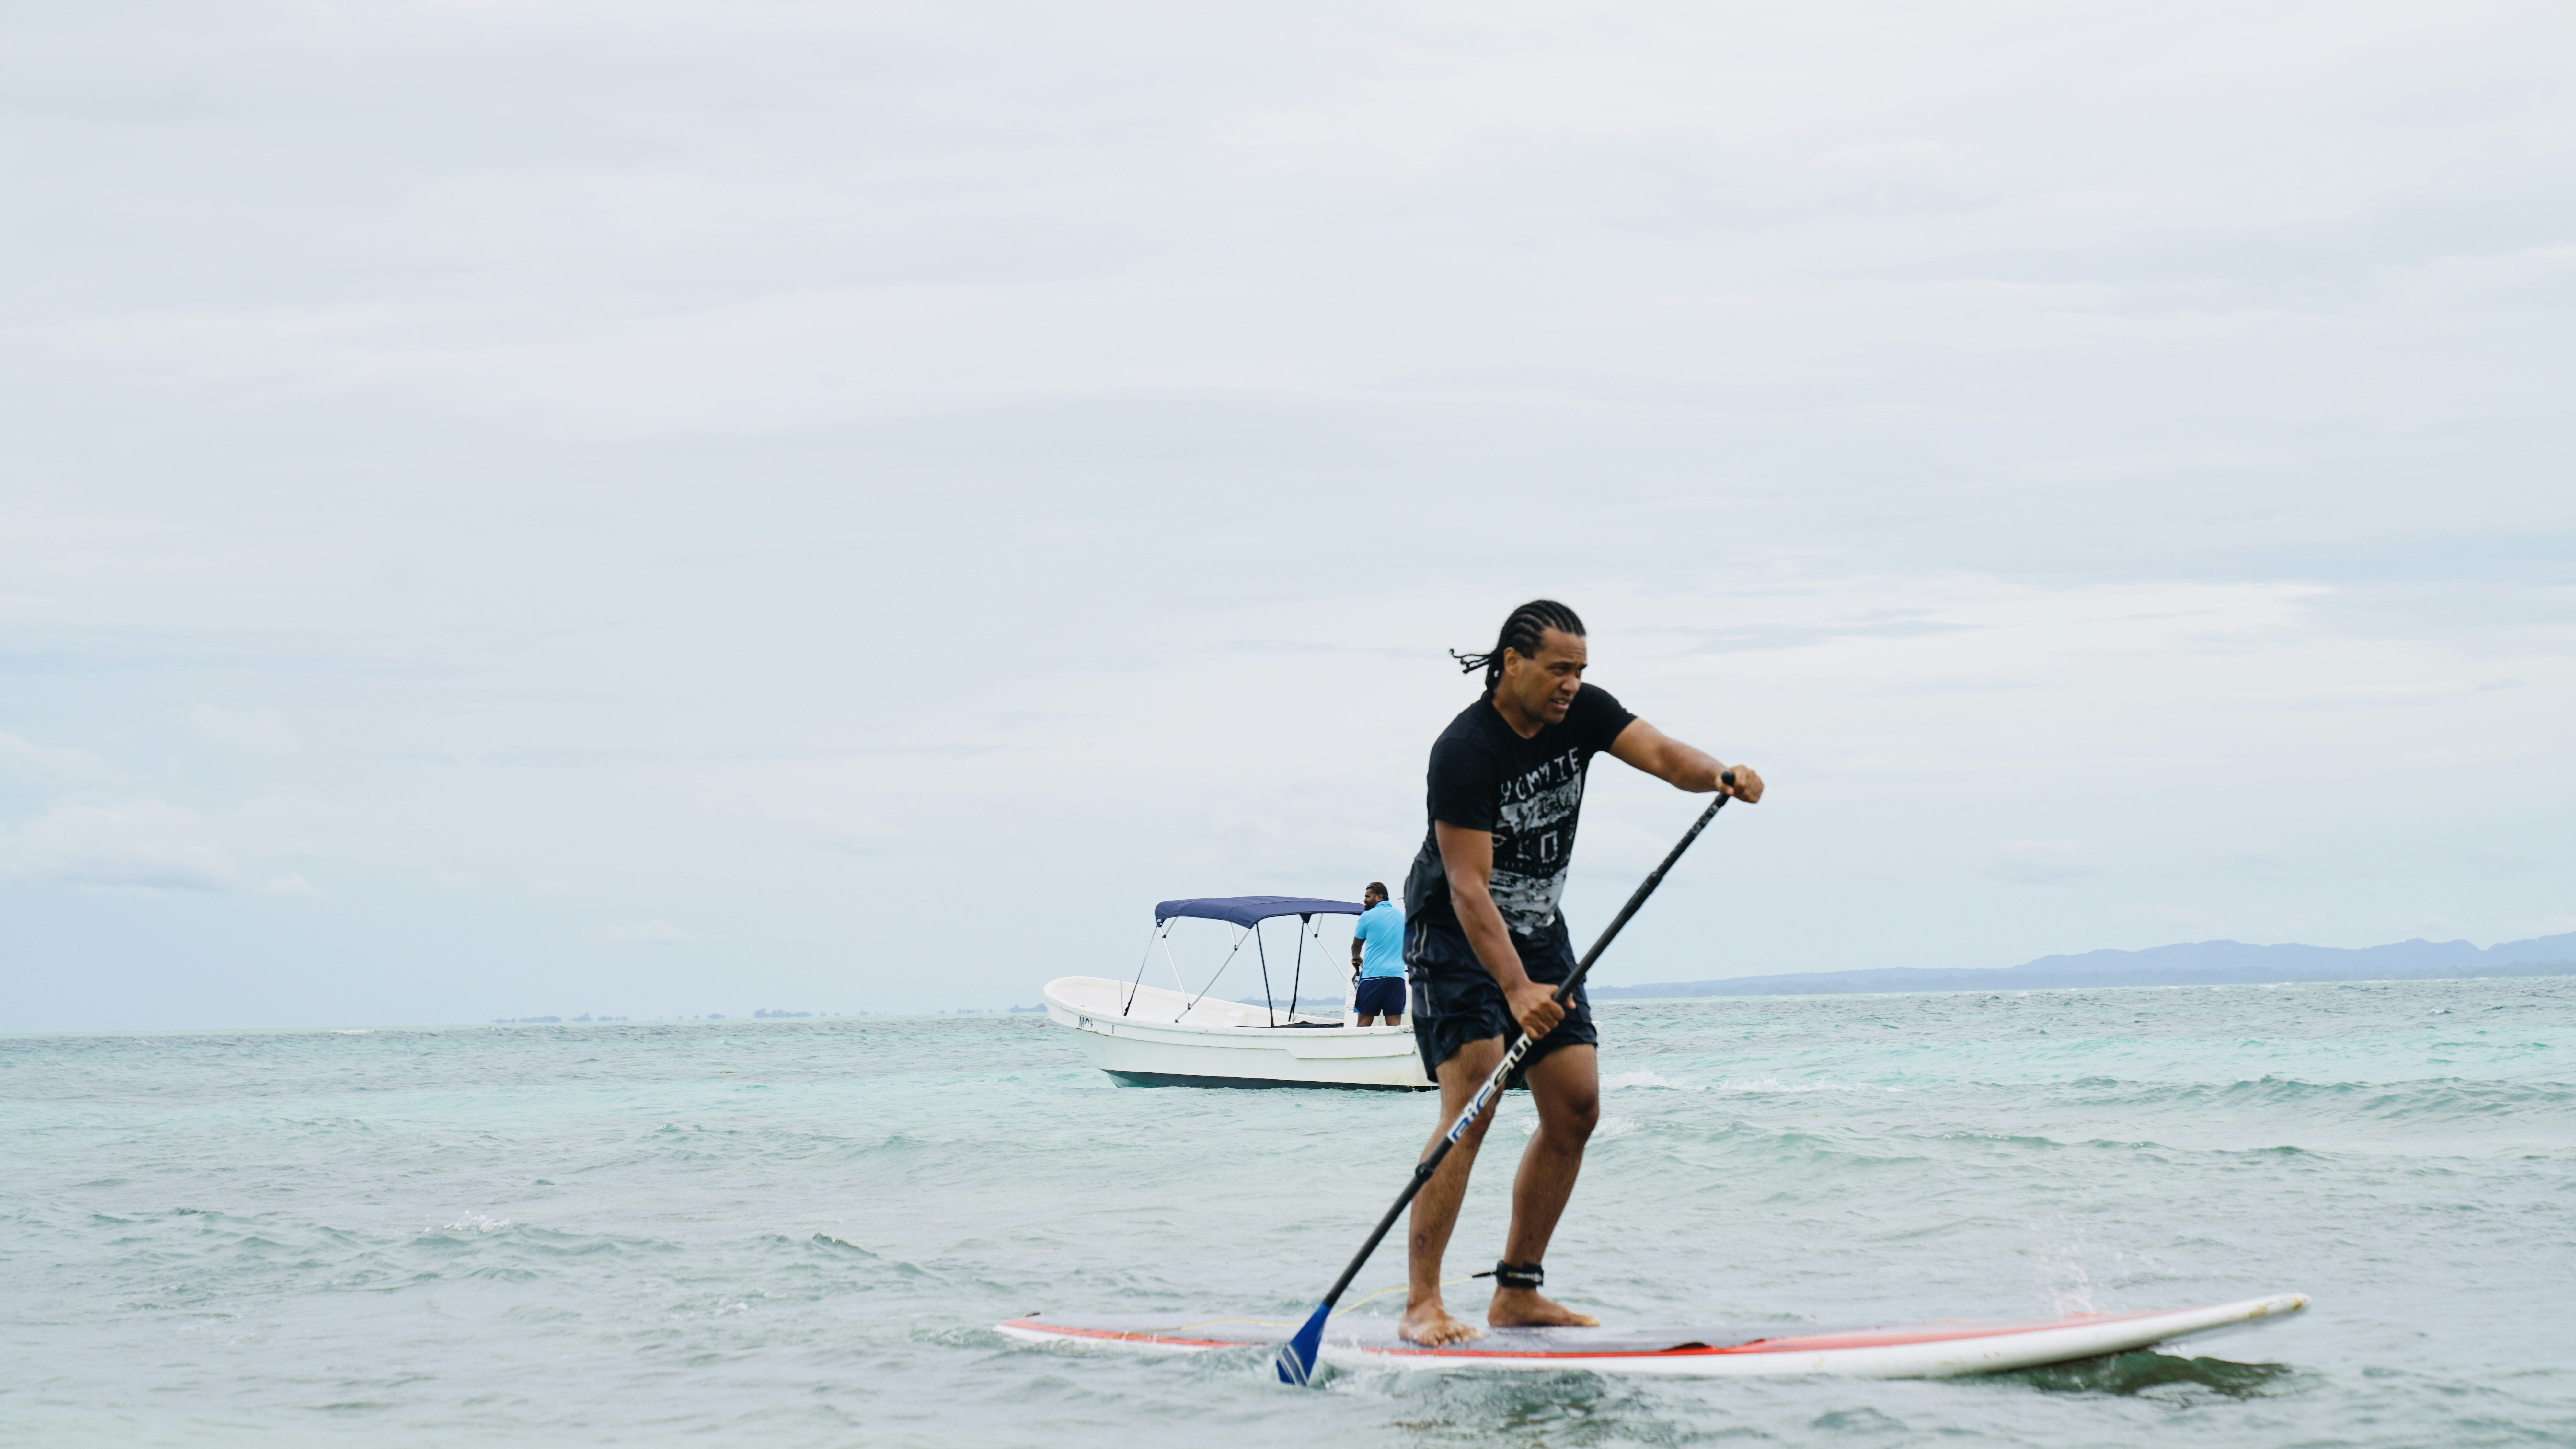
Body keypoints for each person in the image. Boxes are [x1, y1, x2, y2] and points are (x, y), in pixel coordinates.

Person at [1397, 599, 1763, 1347]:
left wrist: (1718, 773)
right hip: (1456, 933)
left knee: (1575, 1107)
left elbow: (1662, 754)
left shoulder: (1584, 712)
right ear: (1512, 663)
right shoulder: (1465, 749)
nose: (1571, 683)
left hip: (1539, 931)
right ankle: (1422, 1302)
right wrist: (1514, 988)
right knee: (1474, 1098)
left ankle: (1517, 1292)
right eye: (1559, 669)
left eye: (1580, 669)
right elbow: (1467, 886)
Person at [1348, 882, 1407, 1026]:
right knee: (1394, 1025)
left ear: (1380, 897)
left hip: (1373, 977)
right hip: (1397, 978)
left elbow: (1357, 945)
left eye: (1368, 897)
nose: (1365, 900)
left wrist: (1356, 958)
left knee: (1364, 1023)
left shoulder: (1367, 916)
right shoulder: (1401, 917)